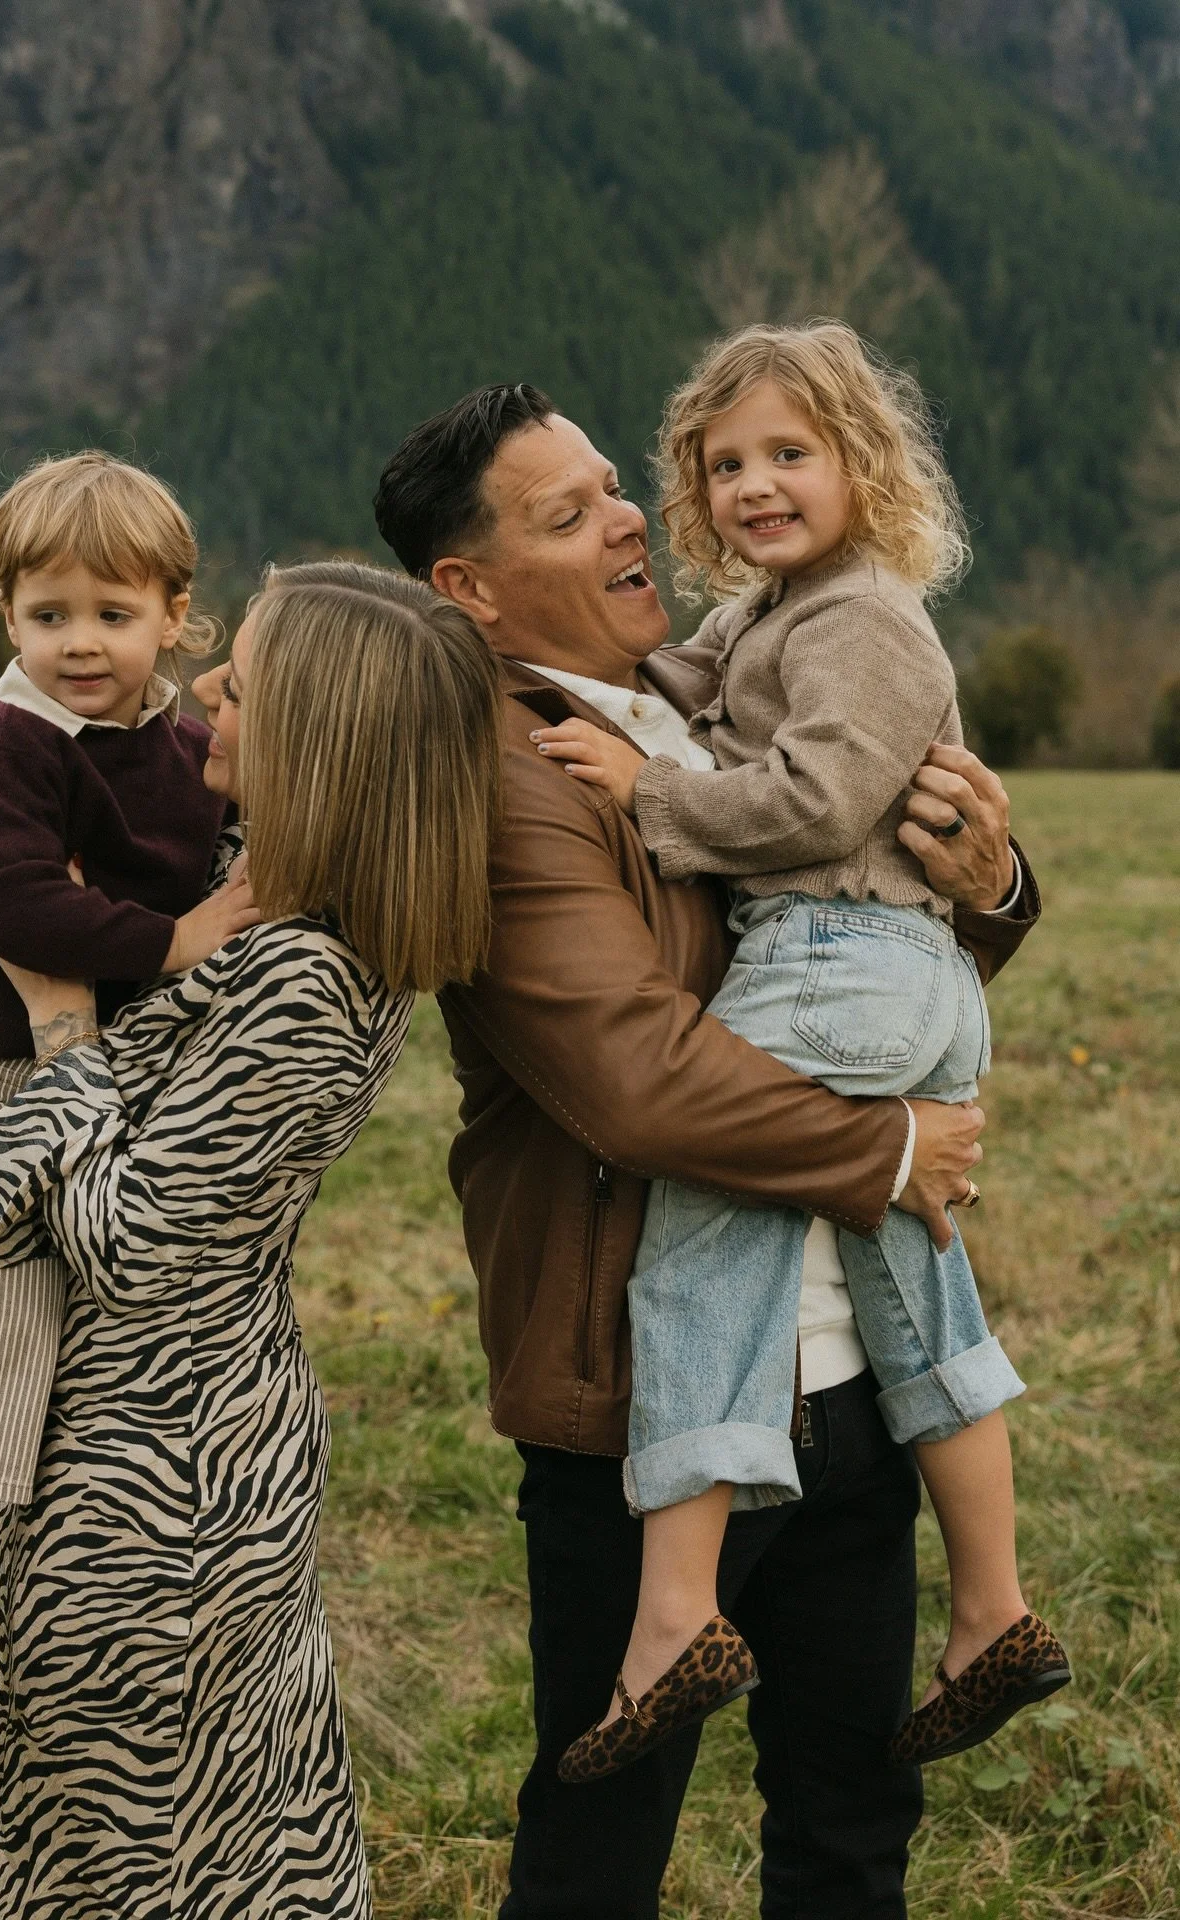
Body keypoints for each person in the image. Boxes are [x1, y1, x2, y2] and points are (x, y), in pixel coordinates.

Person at [373, 383, 1039, 1919]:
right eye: (569, 514)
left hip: (848, 1381)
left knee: (853, 1823)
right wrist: (887, 1154)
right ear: (470, 588)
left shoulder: (729, 686)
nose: (630, 520)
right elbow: (639, 1083)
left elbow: (855, 958)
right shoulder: (510, 777)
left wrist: (988, 880)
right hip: (640, 1406)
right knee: (601, 1855)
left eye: (615, 484)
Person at [0, 560, 505, 1918]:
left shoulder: (308, 975)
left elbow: (129, 1240)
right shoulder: (222, 886)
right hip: (95, 1436)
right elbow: (58, 1149)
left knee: (157, 1851)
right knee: (121, 1831)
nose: (208, 685)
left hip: (163, 1489)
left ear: (321, 739)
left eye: (248, 681)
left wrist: (57, 1017)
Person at [531, 323, 1068, 1787]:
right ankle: (992, 1611)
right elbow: (673, 679)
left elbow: (821, 803)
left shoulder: (863, 621)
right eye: (726, 465)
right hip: (882, 974)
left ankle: (673, 1616)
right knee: (916, 1280)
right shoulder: (775, 612)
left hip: (844, 958)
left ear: (864, 467)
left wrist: (648, 796)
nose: (755, 485)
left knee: (704, 1240)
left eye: (791, 454)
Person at [0, 450, 258, 1754]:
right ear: (6, 612)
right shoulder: (5, 744)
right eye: (48, 614)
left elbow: (231, 848)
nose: (79, 643)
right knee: (13, 1283)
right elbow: (15, 899)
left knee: (120, 1293)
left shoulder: (190, 746)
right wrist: (173, 940)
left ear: (175, 616)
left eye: (111, 612)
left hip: (103, 1064)